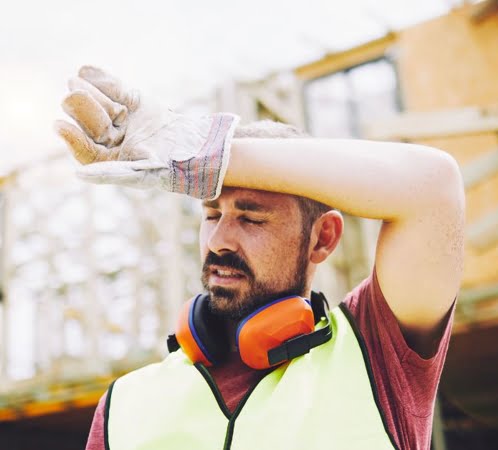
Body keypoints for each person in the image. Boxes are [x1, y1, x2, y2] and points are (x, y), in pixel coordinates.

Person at [55, 66, 465, 450]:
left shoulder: (377, 355)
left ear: (323, 238)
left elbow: (435, 188)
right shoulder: (125, 406)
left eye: (251, 219)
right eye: (211, 214)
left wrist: (206, 150)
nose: (219, 241)